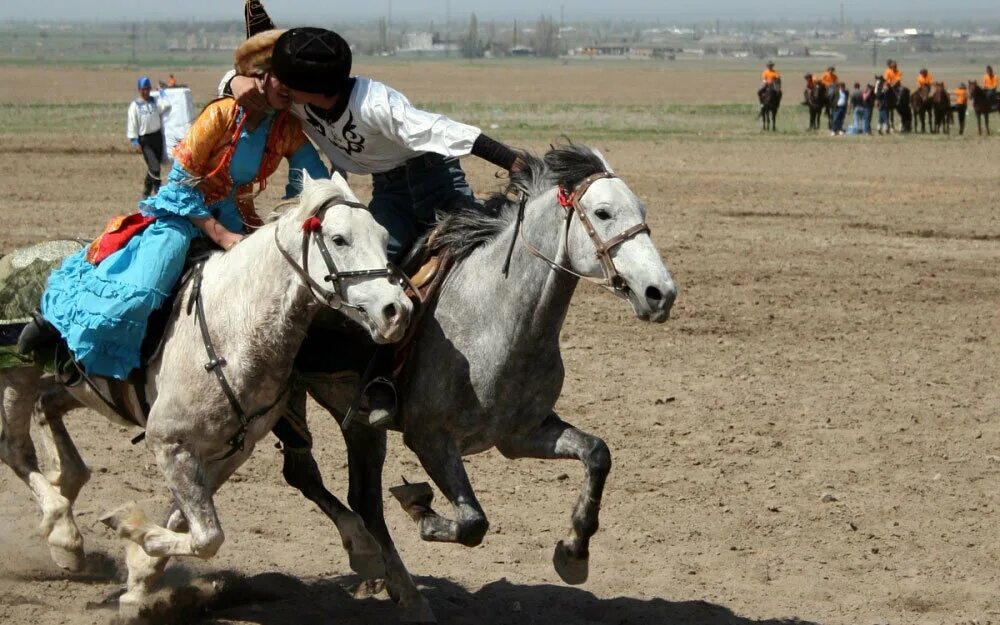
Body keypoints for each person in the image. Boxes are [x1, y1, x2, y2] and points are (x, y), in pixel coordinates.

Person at [20, 31, 329, 380]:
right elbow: (180, 182)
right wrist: (222, 235)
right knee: (139, 293)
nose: (290, 90)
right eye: (283, 79)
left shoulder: (287, 128)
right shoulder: (221, 115)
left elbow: (313, 178)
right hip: (185, 214)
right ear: (261, 76)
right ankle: (56, 324)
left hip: (241, 219)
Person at [126, 76, 171, 199]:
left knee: (154, 167)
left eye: (147, 89)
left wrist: (161, 92)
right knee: (155, 167)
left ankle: (146, 192)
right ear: (139, 90)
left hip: (157, 138)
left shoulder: (155, 101)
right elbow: (132, 123)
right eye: (143, 89)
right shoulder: (135, 106)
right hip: (145, 140)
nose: (145, 92)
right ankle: (158, 193)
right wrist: (135, 141)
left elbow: (166, 105)